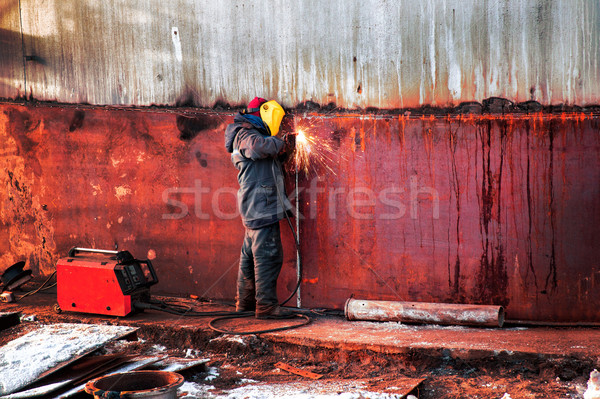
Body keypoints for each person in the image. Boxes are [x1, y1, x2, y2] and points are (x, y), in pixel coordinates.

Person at [224, 97, 295, 319]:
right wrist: (282, 143)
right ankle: (266, 307)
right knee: (268, 256)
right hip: (261, 206)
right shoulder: (246, 134)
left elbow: (263, 157)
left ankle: (244, 303)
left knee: (249, 256)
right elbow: (257, 148)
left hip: (255, 205)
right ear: (261, 116)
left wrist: (282, 150)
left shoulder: (243, 133)